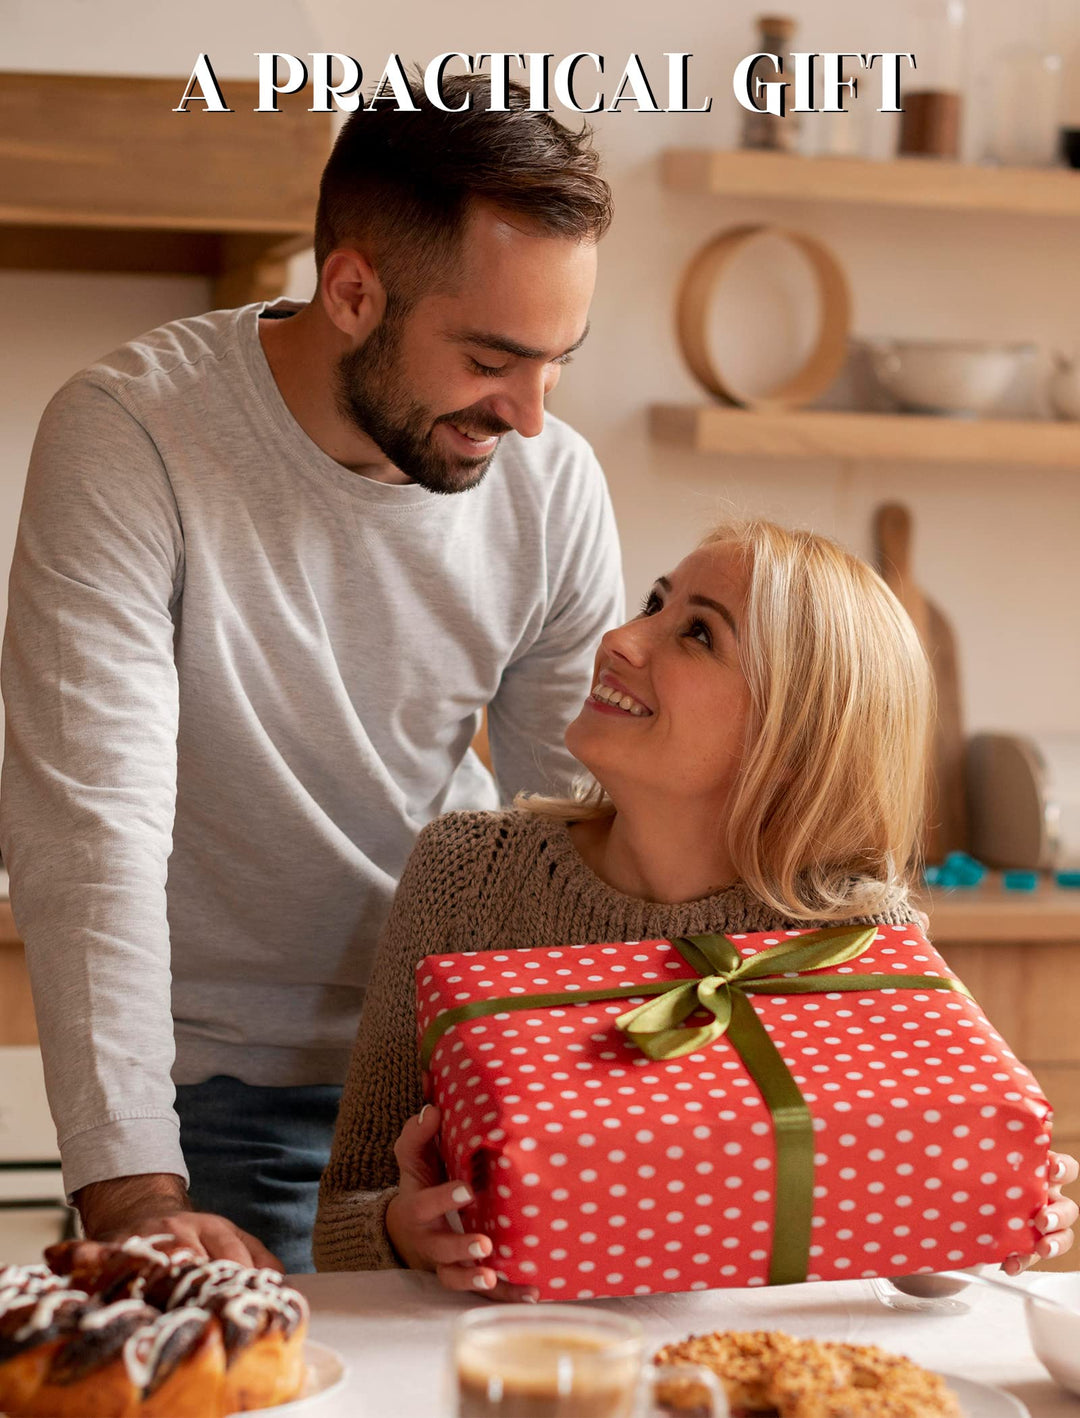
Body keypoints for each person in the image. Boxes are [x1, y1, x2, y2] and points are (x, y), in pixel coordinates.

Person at [0, 72, 623, 1274]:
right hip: (219, 1099)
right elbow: (94, 827)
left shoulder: (551, 482)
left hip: (455, 1078)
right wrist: (133, 1189)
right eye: (495, 356)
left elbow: (579, 834)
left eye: (558, 361)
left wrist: (588, 1115)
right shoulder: (131, 435)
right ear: (352, 289)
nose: (533, 416)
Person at [314, 519, 1079, 1294]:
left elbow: (911, 1268)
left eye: (699, 635)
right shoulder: (467, 873)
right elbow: (344, 1214)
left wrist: (991, 1214)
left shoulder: (855, 939)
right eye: (654, 601)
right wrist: (401, 1235)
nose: (621, 638)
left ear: (790, 743)